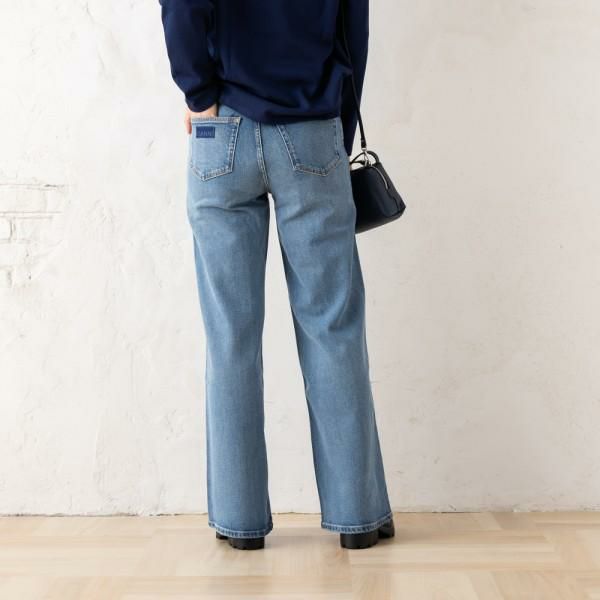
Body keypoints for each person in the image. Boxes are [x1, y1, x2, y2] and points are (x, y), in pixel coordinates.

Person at [159, 0, 394, 551]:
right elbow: (353, 31)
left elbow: (181, 7)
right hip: (311, 126)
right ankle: (357, 518)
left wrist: (200, 96)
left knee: (230, 337)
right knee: (332, 328)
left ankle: (239, 524)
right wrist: (336, 127)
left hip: (220, 131)